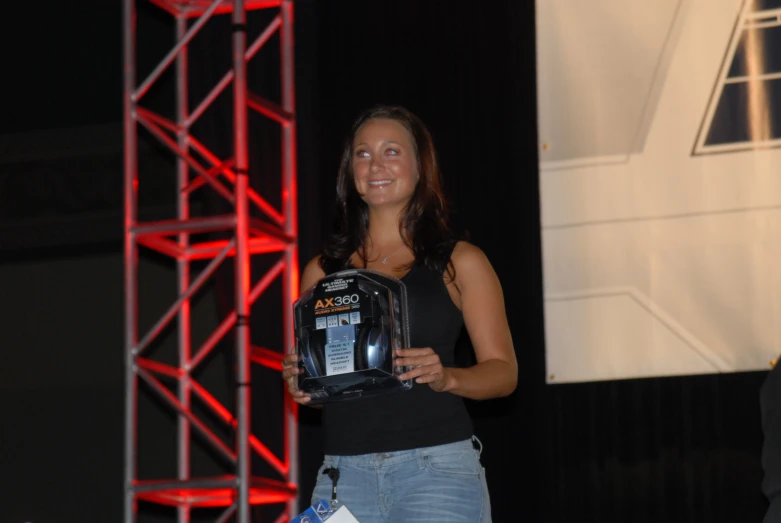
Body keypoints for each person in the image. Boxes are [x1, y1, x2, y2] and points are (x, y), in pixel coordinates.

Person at [281, 105, 517, 523]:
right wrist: (304, 386)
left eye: (391, 152)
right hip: (341, 479)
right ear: (349, 171)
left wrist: (449, 376)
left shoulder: (459, 261)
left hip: (436, 473)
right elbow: (326, 391)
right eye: (362, 153)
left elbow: (503, 373)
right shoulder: (321, 271)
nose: (375, 165)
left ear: (420, 167)